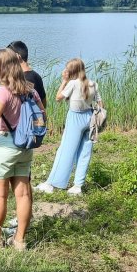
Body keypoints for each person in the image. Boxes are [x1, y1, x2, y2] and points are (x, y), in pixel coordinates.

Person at [0, 48, 41, 252]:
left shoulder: (3, 91)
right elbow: (41, 115)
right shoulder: (31, 90)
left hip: (3, 146)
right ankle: (19, 240)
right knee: (23, 195)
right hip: (24, 147)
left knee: (0, 196)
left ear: (2, 67)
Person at [35, 58, 102, 196]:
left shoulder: (72, 83)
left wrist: (64, 82)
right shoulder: (93, 84)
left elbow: (58, 98)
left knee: (65, 150)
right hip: (90, 118)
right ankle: (78, 186)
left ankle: (52, 183)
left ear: (72, 71)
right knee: (85, 152)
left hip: (75, 118)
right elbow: (101, 104)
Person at [8, 41, 46, 108]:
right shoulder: (36, 76)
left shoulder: (23, 79)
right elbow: (44, 103)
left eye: (9, 57)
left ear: (17, 57)